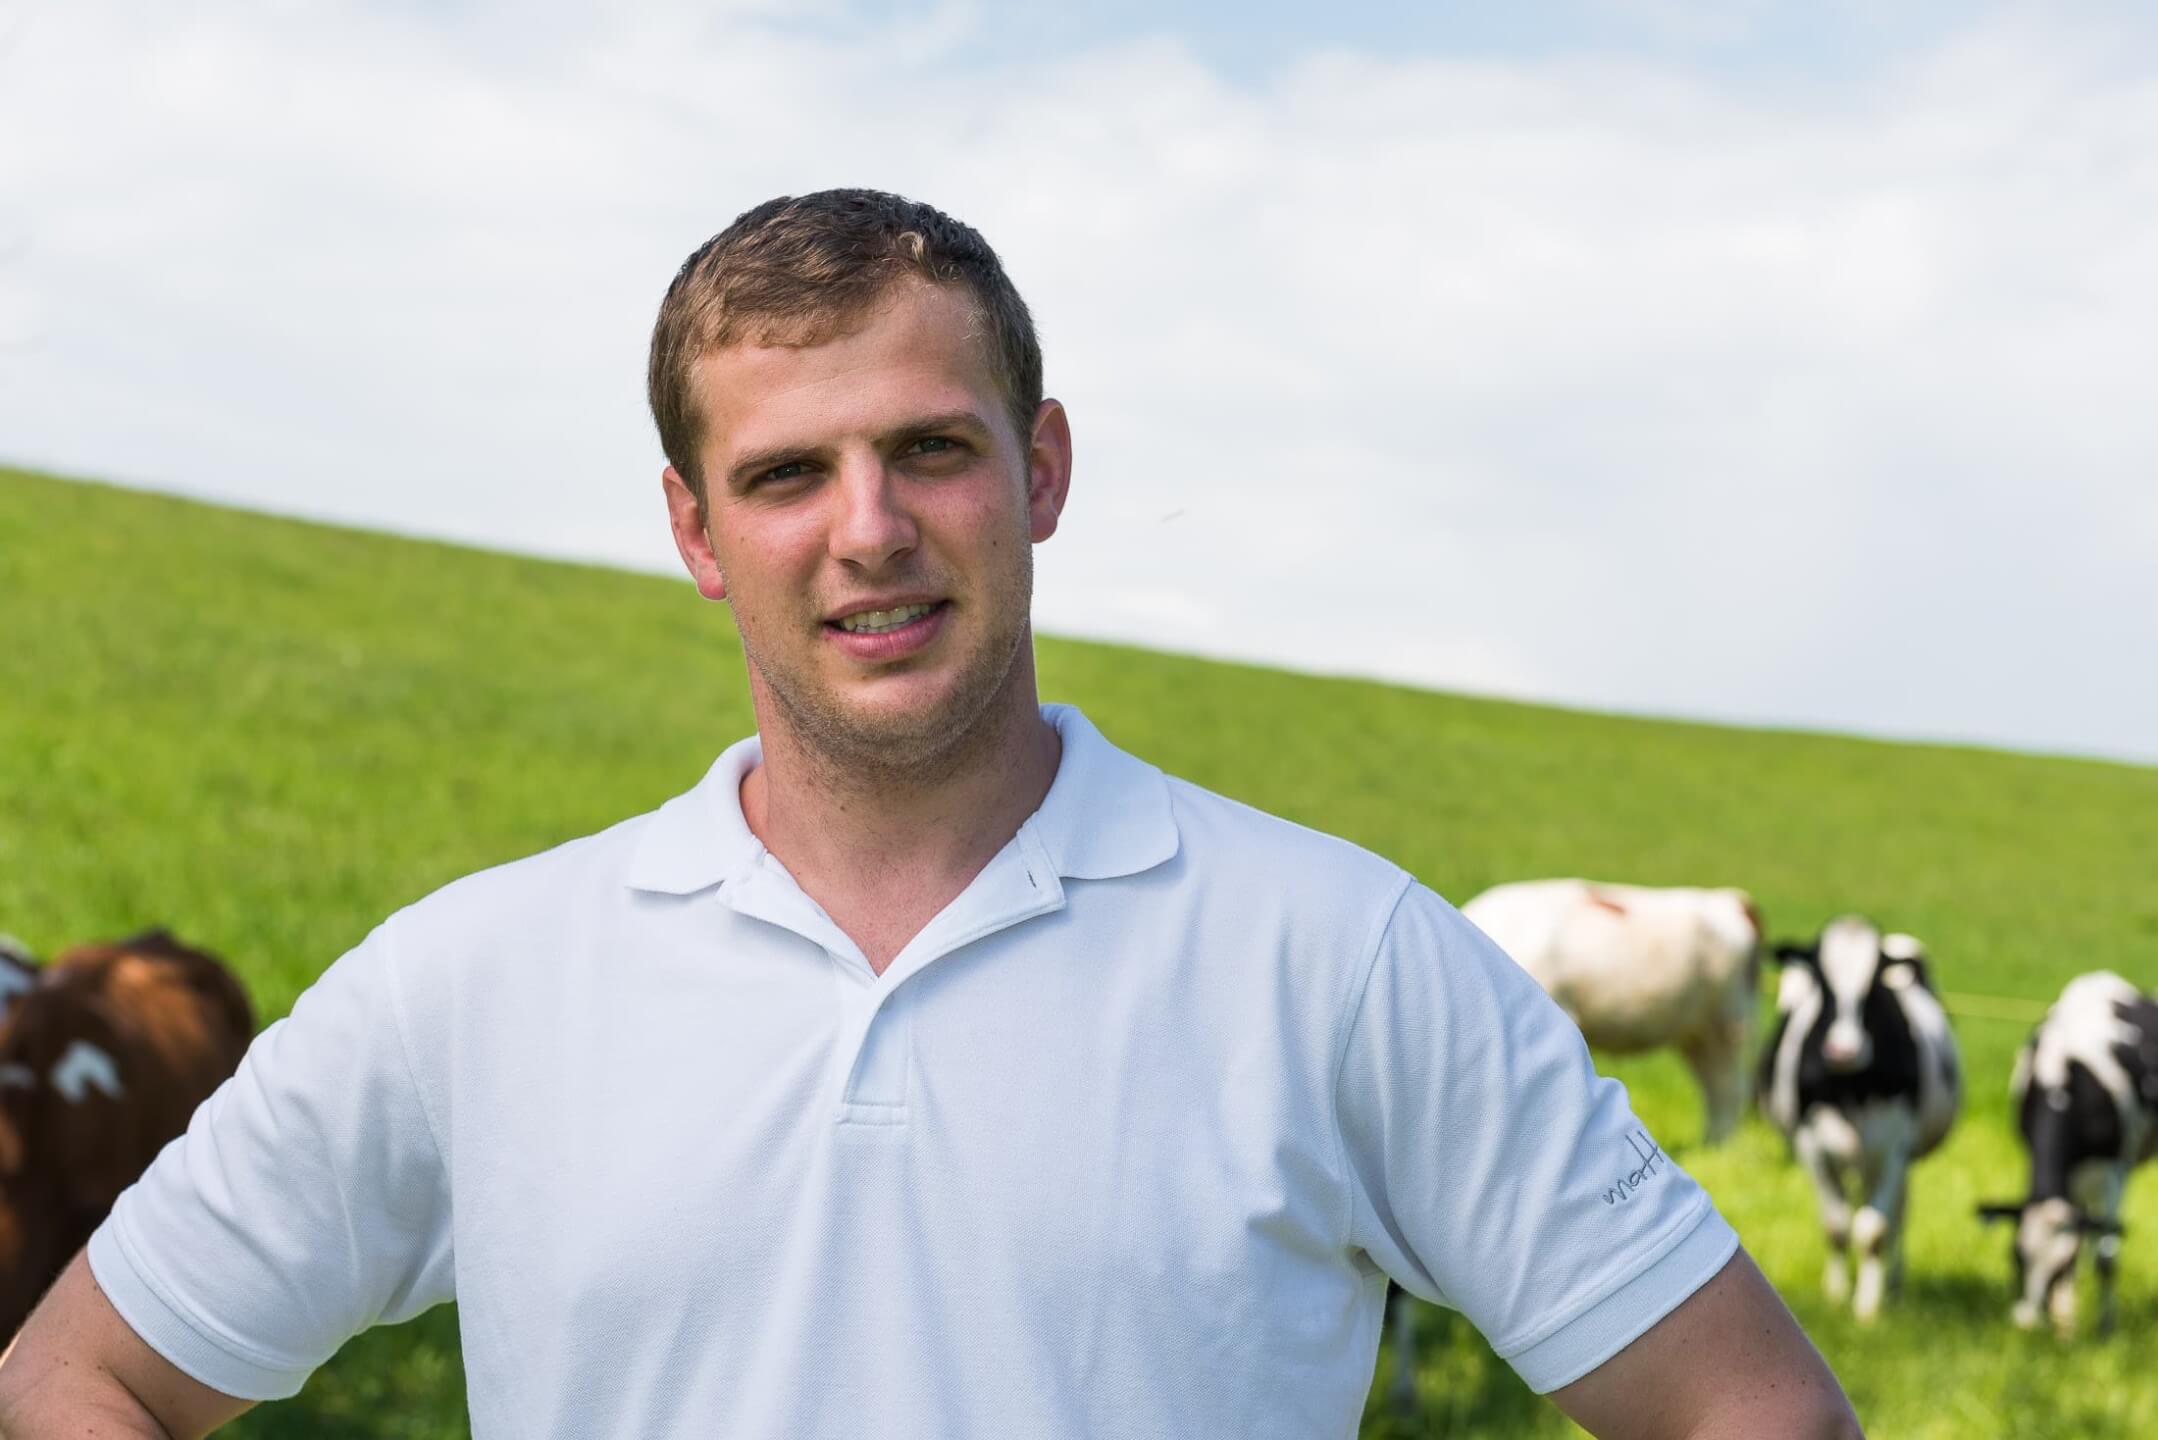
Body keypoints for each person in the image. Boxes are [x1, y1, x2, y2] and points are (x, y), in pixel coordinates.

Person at [0, 190, 1862, 1439]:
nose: (869, 530)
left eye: (930, 449)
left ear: (1040, 469)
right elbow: (79, 1378)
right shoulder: (473, 983)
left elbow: (1752, 1409)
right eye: (785, 475)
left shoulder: (1343, 956)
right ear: (694, 532)